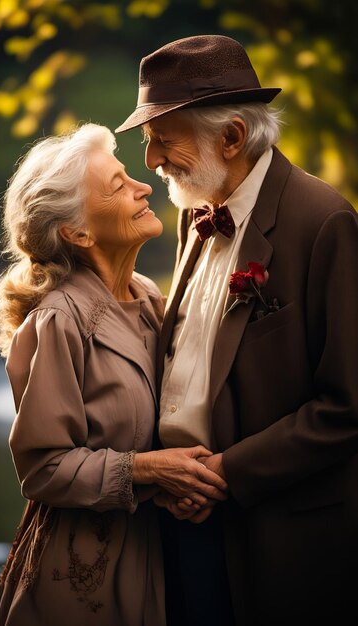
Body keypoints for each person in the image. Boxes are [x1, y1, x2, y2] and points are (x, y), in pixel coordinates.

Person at [115, 34, 358, 626]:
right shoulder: (195, 209)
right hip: (176, 512)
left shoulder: (325, 222)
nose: (149, 161)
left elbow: (347, 404)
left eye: (160, 140)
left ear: (230, 137)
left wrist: (226, 474)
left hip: (276, 533)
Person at [0, 122, 227, 626]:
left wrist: (173, 484)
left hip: (161, 555)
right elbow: (43, 469)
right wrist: (149, 470)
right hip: (81, 576)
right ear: (78, 232)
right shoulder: (59, 320)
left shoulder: (148, 296)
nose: (143, 185)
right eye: (118, 185)